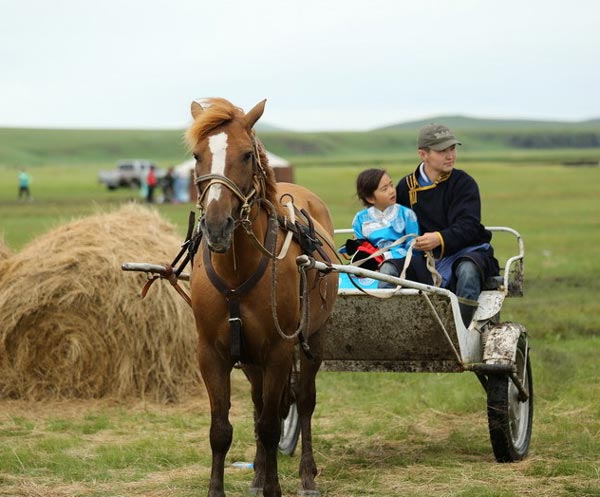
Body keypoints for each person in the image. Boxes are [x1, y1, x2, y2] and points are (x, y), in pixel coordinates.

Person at [395, 123, 499, 326]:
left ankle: (460, 334)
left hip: (466, 250)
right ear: (423, 154)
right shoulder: (405, 187)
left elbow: (469, 226)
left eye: (452, 148)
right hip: (423, 258)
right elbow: (395, 224)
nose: (450, 155)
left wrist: (438, 238)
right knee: (390, 270)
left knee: (468, 272)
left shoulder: (464, 183)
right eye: (442, 150)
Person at [351, 168, 430, 288]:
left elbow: (412, 248)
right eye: (385, 189)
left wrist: (386, 257)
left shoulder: (406, 214)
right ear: (370, 198)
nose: (392, 191)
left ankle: (383, 306)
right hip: (372, 264)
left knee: (387, 269)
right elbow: (361, 246)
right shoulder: (360, 219)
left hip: (402, 264)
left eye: (391, 185)